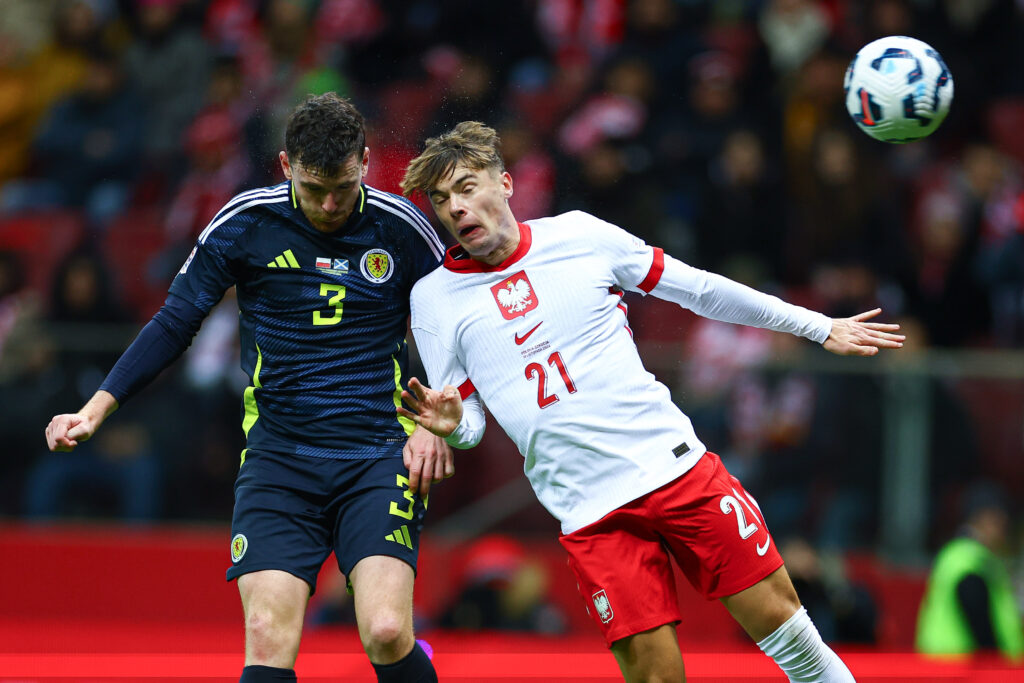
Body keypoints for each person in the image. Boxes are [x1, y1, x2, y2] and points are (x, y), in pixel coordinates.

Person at [397, 121, 906, 682]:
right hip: (590, 514)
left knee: (793, 640)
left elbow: (701, 289)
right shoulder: (435, 298)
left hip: (675, 468)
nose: (456, 208)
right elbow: (467, 423)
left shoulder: (579, 236)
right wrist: (448, 425)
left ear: (508, 183)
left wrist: (816, 327)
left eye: (467, 187)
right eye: (442, 200)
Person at [45, 93, 451, 683]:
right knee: (267, 637)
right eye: (314, 190)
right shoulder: (246, 223)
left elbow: (458, 323)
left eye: (342, 185)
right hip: (280, 458)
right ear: (286, 166)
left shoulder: (402, 227)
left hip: (379, 452)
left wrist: (439, 423)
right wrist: (97, 407)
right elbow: (175, 321)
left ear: (365, 160)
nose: (330, 205)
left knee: (386, 633)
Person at [916, 482, 1024, 661]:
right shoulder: (969, 560)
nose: (1005, 527)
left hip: (951, 666)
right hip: (961, 669)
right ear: (984, 518)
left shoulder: (961, 555)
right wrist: (995, 663)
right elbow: (978, 618)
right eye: (1001, 518)